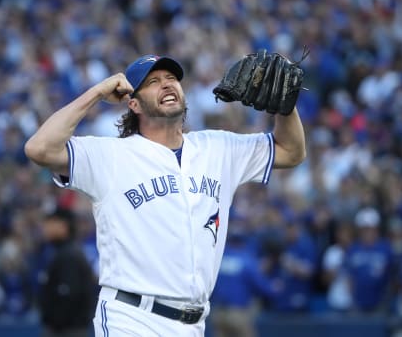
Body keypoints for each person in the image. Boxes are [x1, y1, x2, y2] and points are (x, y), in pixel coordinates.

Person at [24, 54, 306, 336]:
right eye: (153, 82)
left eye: (172, 79)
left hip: (193, 323)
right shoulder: (110, 155)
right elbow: (40, 148)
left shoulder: (219, 148)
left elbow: (291, 152)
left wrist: (285, 107)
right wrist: (96, 93)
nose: (167, 85)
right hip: (132, 319)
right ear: (133, 103)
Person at [37, 208, 96, 337]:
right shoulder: (64, 252)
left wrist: (55, 323)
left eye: (51, 223)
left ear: (63, 226)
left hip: (68, 331)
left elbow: (69, 296)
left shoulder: (69, 255)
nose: (45, 228)